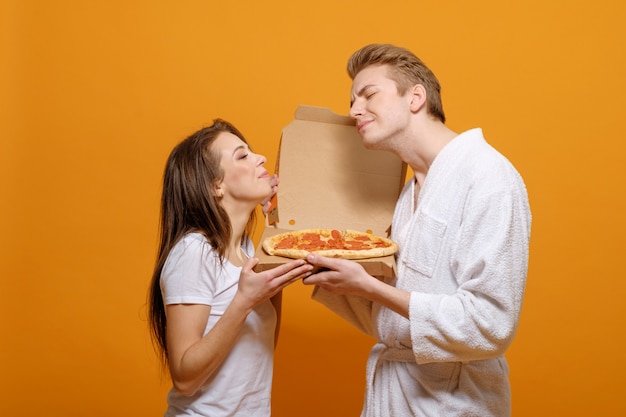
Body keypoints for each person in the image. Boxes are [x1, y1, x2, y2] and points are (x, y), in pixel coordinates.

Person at [302, 44, 531, 416]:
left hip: (452, 403)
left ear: (415, 97)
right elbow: (391, 321)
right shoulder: (410, 190)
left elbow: (491, 324)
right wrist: (313, 260)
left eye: (368, 94)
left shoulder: (489, 178)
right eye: (351, 100)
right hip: (394, 396)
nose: (353, 110)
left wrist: (370, 286)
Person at [147, 119, 313, 417]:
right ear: (216, 186)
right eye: (242, 155)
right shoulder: (194, 252)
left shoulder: (248, 249)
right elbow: (185, 379)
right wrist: (244, 300)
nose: (260, 158)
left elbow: (261, 348)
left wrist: (276, 225)